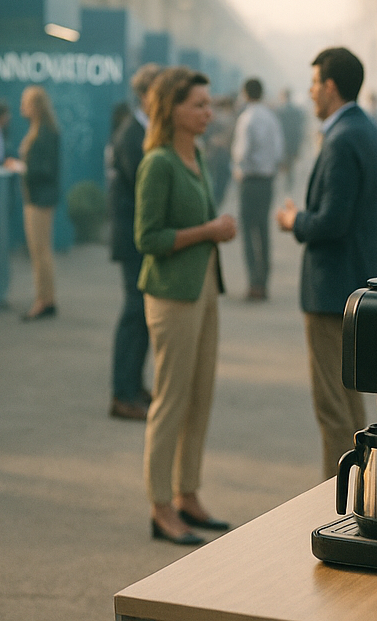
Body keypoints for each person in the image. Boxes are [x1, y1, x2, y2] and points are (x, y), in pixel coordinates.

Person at [276, 47, 377, 477]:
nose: (309, 94)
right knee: (350, 403)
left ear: (329, 86)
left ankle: (338, 499)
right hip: (362, 284)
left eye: (313, 85)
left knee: (332, 408)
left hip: (331, 290)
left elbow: (332, 221)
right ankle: (362, 490)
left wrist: (294, 220)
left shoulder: (341, 140)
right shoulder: (372, 134)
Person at [136, 66, 238, 546]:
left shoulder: (195, 154)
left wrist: (214, 229)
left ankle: (188, 493)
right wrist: (209, 231)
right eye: (198, 105)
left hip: (203, 290)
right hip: (172, 295)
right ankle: (160, 506)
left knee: (200, 396)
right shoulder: (158, 162)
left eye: (208, 104)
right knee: (171, 400)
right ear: (172, 109)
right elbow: (147, 237)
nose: (207, 112)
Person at [108, 63, 163, 421]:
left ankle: (133, 385)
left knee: (141, 316)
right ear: (145, 96)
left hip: (138, 240)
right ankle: (122, 394)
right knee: (133, 314)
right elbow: (145, 189)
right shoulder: (131, 134)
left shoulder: (143, 130)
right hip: (133, 242)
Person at [5, 85, 61, 321]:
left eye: (26, 103)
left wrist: (20, 167)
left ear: (36, 106)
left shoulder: (45, 133)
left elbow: (45, 169)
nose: (22, 108)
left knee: (40, 251)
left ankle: (44, 301)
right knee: (40, 251)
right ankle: (46, 298)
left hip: (39, 198)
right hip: (37, 197)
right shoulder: (43, 130)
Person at [231, 77, 284, 301]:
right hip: (267, 181)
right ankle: (264, 282)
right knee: (263, 231)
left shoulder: (247, 118)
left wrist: (238, 170)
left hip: (250, 181)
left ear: (245, 93)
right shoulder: (272, 118)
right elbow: (279, 151)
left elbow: (241, 153)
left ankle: (254, 284)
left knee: (249, 233)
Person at [275, 88, 306, 196]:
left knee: (282, 165)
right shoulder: (296, 111)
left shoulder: (279, 111)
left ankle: (284, 188)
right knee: (289, 166)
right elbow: (299, 130)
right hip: (292, 143)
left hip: (282, 143)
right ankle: (288, 186)